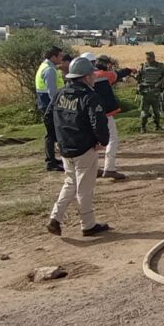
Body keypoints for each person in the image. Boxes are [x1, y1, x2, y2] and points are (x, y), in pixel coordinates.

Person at [44, 56, 111, 237]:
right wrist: (103, 141)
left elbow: (48, 117)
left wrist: (55, 139)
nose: (94, 77)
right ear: (85, 77)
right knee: (85, 188)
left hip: (66, 147)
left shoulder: (59, 94)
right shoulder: (90, 97)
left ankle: (55, 218)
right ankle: (88, 225)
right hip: (84, 149)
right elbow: (98, 121)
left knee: (70, 183)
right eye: (92, 74)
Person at [85, 52, 134, 180]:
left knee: (91, 142)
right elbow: (118, 74)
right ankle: (110, 168)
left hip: (86, 115)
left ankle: (93, 169)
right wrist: (130, 70)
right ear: (94, 62)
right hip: (104, 114)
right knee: (112, 140)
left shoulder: (80, 78)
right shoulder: (104, 75)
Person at [35, 46, 65, 171]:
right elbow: (52, 92)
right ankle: (51, 162)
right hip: (50, 106)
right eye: (60, 56)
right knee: (52, 134)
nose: (62, 58)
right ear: (53, 57)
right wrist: (59, 106)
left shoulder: (46, 67)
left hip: (45, 105)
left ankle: (52, 159)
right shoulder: (50, 70)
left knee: (51, 134)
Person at [135, 51, 164, 133]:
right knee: (144, 113)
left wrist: (160, 83)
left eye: (149, 58)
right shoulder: (143, 66)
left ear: (153, 57)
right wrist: (137, 75)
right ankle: (143, 127)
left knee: (157, 112)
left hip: (155, 93)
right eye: (147, 58)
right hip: (145, 93)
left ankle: (157, 126)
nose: (148, 59)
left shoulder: (160, 66)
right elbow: (138, 78)